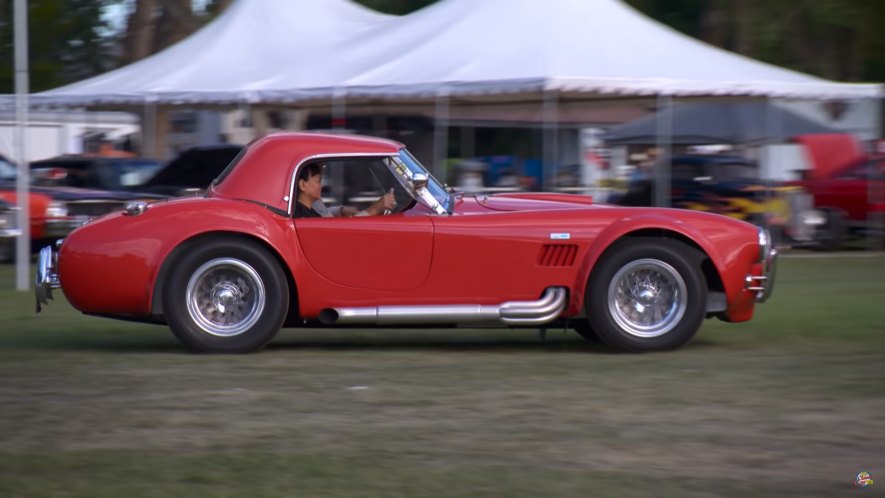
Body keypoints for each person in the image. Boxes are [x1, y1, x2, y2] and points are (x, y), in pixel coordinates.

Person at [294, 162, 396, 218]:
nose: (321, 186)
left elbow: (325, 215)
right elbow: (334, 229)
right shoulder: (304, 215)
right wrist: (375, 209)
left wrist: (340, 210)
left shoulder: (313, 206)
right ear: (302, 185)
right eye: (317, 181)